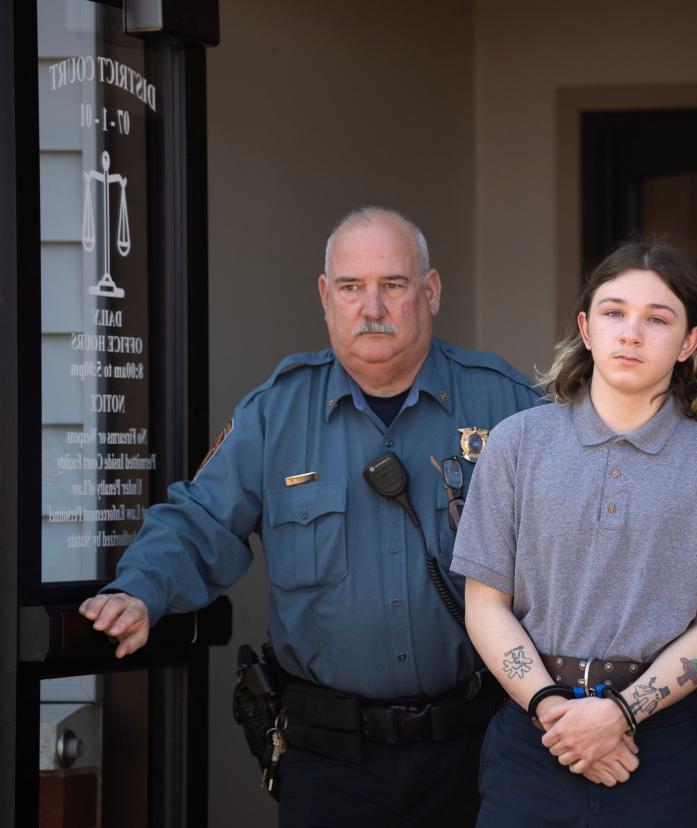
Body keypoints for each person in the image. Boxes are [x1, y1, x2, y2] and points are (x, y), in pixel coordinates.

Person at [78, 207, 542, 827]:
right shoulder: (277, 413)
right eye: (351, 287)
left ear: (430, 292)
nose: (371, 307)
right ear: (326, 298)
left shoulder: (507, 404)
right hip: (330, 762)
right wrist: (141, 589)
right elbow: (201, 520)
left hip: (476, 748)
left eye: (393, 285)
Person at [449, 240, 697, 827]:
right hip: (533, 741)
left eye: (657, 318)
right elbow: (484, 606)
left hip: (659, 746)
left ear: (690, 342)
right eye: (614, 312)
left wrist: (620, 713)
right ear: (586, 329)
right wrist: (552, 710)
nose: (632, 333)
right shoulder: (517, 443)